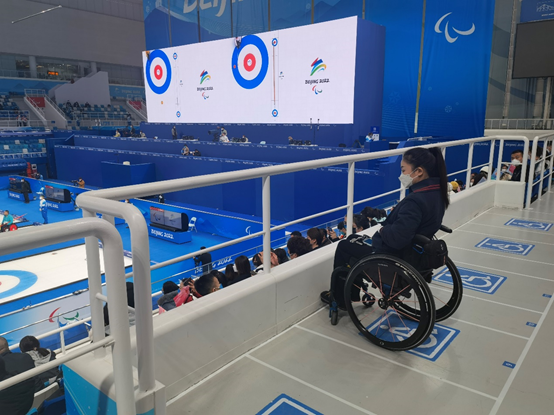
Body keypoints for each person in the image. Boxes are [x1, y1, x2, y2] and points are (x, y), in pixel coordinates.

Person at [322, 147, 449, 307]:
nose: (401, 175)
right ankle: (352, 292)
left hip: (395, 255)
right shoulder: (437, 193)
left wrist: (384, 228)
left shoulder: (415, 201)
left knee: (344, 246)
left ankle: (340, 299)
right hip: (416, 254)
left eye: (403, 170)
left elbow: (397, 238)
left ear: (419, 172)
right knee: (353, 238)